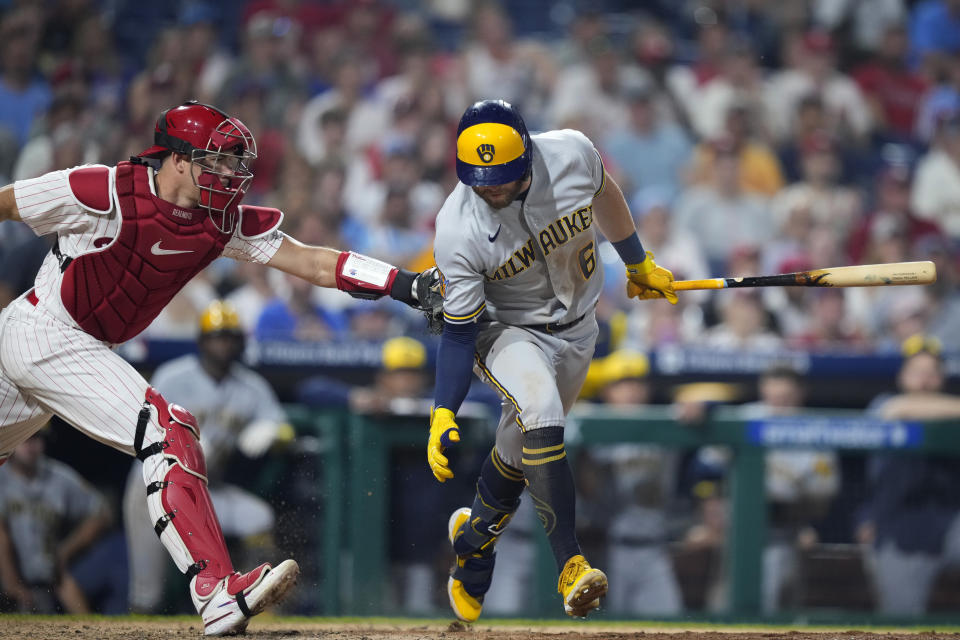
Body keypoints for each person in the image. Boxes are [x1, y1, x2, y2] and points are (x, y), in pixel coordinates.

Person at [0, 100, 437, 635]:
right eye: (218, 161)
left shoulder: (218, 220)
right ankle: (216, 591)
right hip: (45, 331)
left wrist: (406, 284)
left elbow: (313, 261)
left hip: (73, 348)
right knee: (167, 428)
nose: (231, 174)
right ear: (178, 160)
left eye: (235, 163)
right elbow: (6, 204)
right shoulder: (101, 189)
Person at [425, 99, 677, 622]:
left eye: (501, 177)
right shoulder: (457, 226)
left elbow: (606, 193)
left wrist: (637, 261)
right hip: (505, 329)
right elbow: (457, 332)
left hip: (580, 327)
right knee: (541, 412)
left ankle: (473, 545)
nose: (489, 188)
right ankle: (571, 565)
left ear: (528, 157)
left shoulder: (571, 153)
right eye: (480, 179)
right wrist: (443, 410)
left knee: (520, 450)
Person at [123, 300, 290, 614]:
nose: (223, 344)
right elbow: (142, 427)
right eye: (216, 337)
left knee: (258, 518)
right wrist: (184, 445)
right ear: (202, 341)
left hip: (208, 490)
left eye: (229, 337)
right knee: (147, 592)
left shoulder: (251, 387)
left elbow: (281, 425)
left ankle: (263, 606)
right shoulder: (172, 376)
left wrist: (270, 429)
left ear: (240, 342)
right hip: (154, 488)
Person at [856, 335, 960, 615]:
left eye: (932, 373)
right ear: (903, 376)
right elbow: (897, 410)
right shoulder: (885, 403)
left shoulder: (950, 410)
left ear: (942, 378)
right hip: (898, 527)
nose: (925, 380)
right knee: (901, 621)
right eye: (917, 373)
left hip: (949, 520)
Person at [0, 429, 111, 614]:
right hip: (6, 582)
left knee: (66, 591)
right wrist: (10, 581)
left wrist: (66, 551)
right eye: (25, 437)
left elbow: (102, 513)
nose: (32, 444)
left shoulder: (58, 478)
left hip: (45, 581)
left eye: (38, 437)